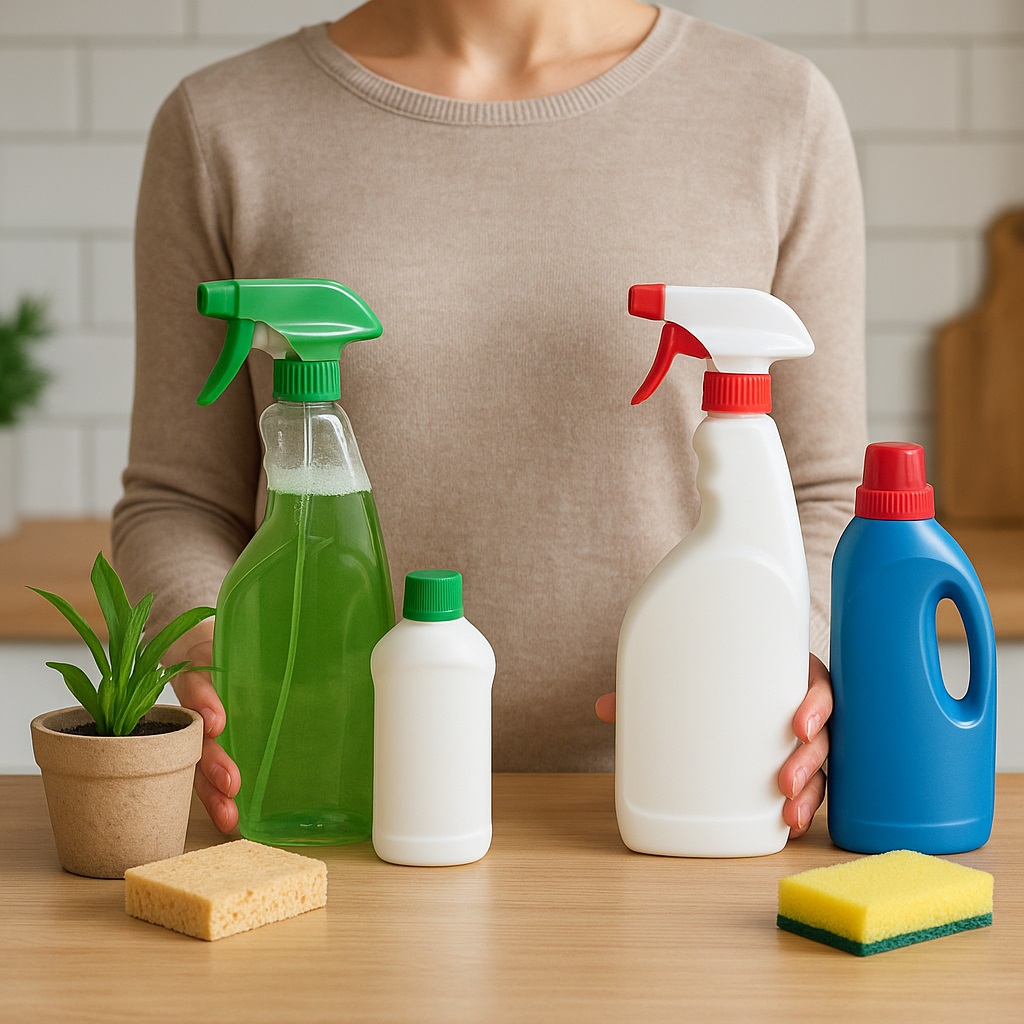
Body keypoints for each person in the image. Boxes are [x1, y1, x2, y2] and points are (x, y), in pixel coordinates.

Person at [112, 0, 865, 839]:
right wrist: (216, 650)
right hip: (339, 812)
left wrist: (791, 655)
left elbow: (827, 494)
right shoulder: (222, 124)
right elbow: (176, 502)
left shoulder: (778, 110)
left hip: (683, 812)